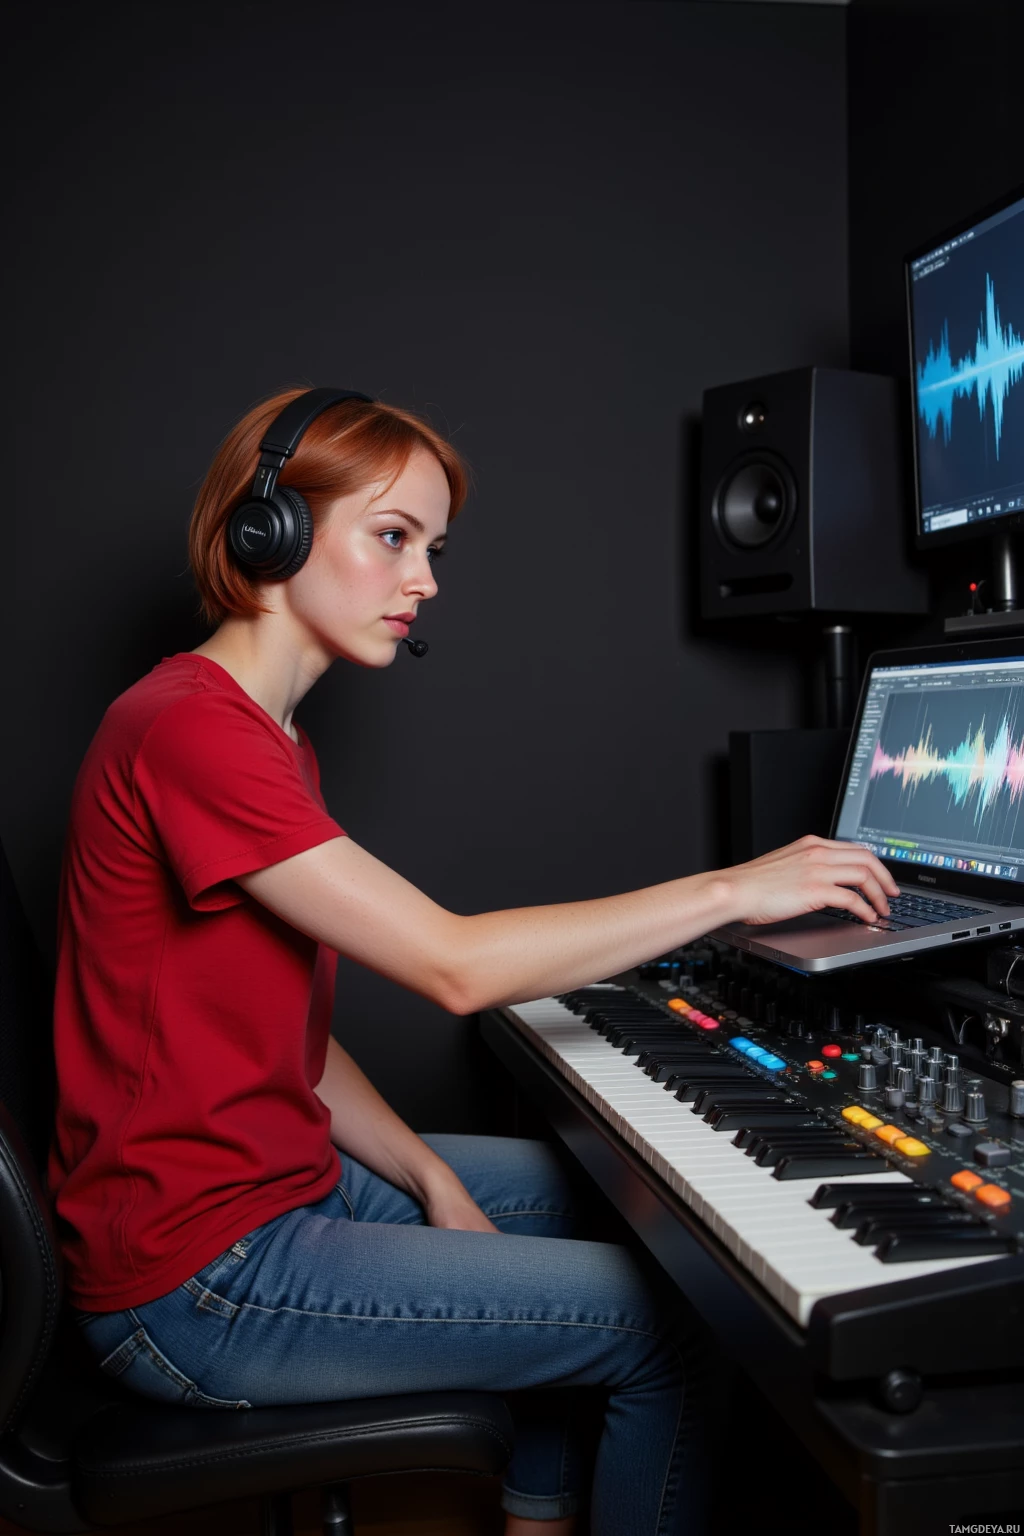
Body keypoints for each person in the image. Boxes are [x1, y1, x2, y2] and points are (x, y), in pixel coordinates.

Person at [50, 389, 899, 1536]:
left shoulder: (262, 733)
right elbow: (452, 964)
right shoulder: (188, 730)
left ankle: (532, 1520)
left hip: (274, 1188)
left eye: (434, 548)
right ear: (271, 532)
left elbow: (285, 1042)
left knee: (627, 1202)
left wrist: (425, 1175)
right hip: (196, 1275)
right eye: (393, 537)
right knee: (676, 1327)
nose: (426, 581)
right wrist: (733, 890)